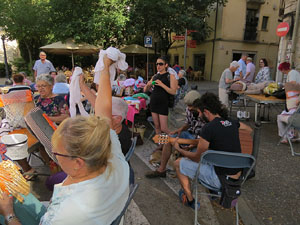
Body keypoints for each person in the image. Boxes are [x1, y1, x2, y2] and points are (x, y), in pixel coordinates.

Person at [0, 55, 130, 225]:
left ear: (78, 162)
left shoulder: (69, 213)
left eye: (56, 152)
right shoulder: (113, 155)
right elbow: (104, 109)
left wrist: (9, 214)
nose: (54, 155)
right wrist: (104, 68)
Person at [172, 92, 252, 209]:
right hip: (237, 180)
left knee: (178, 163)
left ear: (206, 112)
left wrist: (179, 149)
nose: (199, 116)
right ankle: (214, 195)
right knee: (208, 158)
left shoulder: (208, 129)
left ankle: (190, 200)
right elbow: (249, 130)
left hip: (219, 180)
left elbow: (196, 157)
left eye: (199, 112)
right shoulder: (232, 122)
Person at [145, 90, 205, 178]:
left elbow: (201, 141)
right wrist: (180, 130)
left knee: (188, 153)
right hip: (191, 135)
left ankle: (186, 175)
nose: (189, 108)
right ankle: (161, 170)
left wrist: (188, 145)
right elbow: (188, 124)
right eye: (188, 106)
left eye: (191, 106)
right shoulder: (189, 110)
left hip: (201, 141)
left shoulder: (205, 115)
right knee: (168, 139)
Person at [79, 76, 132, 155]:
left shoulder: (116, 141)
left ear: (117, 119)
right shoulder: (116, 127)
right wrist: (82, 84)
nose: (101, 113)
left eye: (105, 112)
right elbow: (96, 103)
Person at [144, 56, 177, 134]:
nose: (158, 66)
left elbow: (173, 92)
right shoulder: (155, 76)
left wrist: (162, 84)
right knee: (157, 126)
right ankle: (160, 144)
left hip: (163, 103)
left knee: (164, 128)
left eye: (161, 64)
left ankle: (173, 141)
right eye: (157, 64)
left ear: (166, 65)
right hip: (154, 102)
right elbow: (145, 90)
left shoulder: (170, 76)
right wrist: (148, 85)